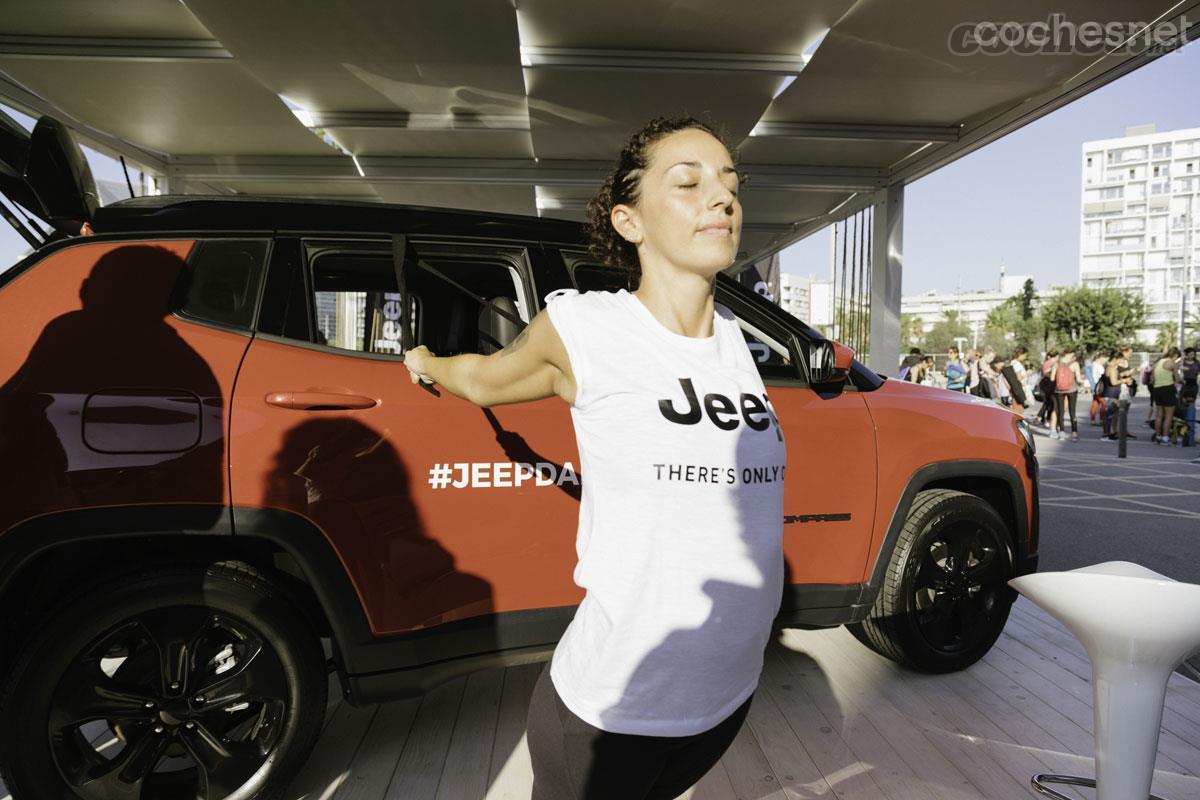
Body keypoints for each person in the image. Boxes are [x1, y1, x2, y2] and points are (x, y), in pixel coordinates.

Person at [405, 117, 784, 800]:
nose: (723, 198)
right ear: (629, 221)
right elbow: (485, 379)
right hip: (609, 718)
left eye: (730, 183)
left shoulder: (735, 338)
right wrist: (427, 361)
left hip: (723, 702)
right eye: (689, 183)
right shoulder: (587, 328)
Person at [1050, 347, 1085, 441]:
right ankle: (1074, 433)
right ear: (1071, 354)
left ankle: (1062, 432)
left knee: (1061, 412)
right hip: (1072, 389)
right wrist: (1082, 382)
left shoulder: (1056, 363)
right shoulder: (1074, 364)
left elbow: (1052, 378)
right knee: (1072, 412)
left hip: (1059, 390)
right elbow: (1078, 379)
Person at [1151, 346, 1181, 445]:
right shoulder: (1172, 363)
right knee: (1169, 415)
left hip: (1157, 389)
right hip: (1167, 388)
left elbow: (1153, 378)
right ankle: (1165, 437)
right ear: (1175, 355)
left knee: (1159, 415)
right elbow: (1177, 379)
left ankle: (1158, 436)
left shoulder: (1158, 363)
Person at [1037, 348, 1059, 428]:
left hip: (1045, 383)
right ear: (1056, 356)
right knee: (1050, 402)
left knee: (1048, 402)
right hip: (1049, 384)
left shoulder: (1046, 362)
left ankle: (1041, 418)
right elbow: (1046, 374)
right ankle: (1044, 418)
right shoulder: (1051, 363)